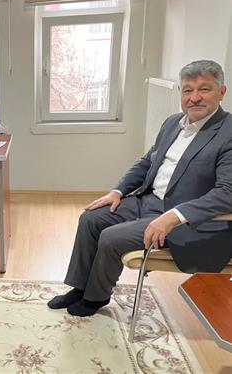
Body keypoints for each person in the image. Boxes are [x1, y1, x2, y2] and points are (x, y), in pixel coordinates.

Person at [48, 60, 232, 317]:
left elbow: (227, 193)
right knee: (91, 219)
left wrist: (174, 216)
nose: (194, 98)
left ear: (221, 92)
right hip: (148, 201)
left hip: (185, 221)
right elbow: (147, 162)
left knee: (111, 237)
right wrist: (117, 191)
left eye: (204, 89)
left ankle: (95, 298)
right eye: (187, 90)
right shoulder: (173, 123)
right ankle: (80, 288)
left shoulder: (228, 133)